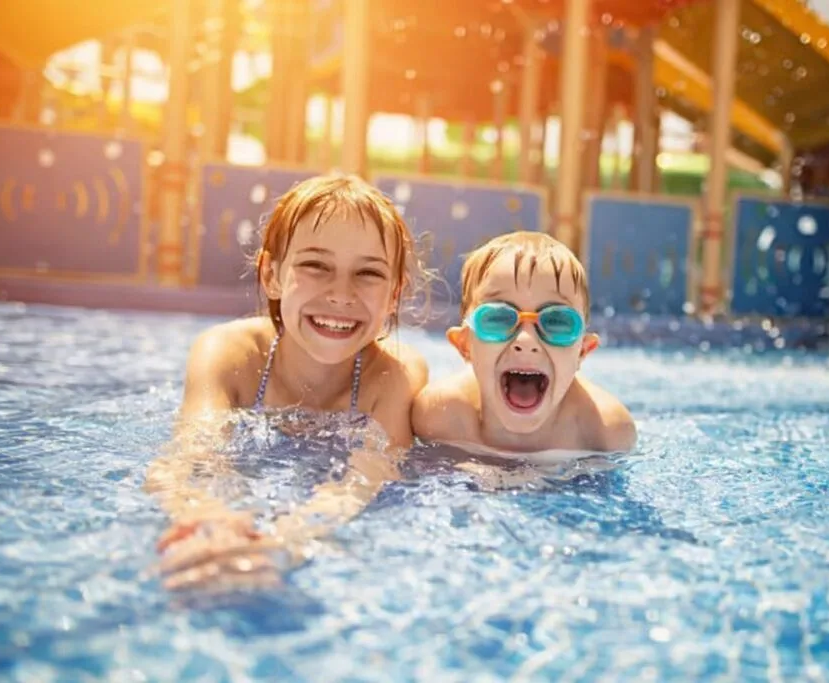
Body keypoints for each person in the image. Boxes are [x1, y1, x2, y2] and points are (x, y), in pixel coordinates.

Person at [145, 174, 429, 591]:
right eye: (316, 265)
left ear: (393, 295)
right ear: (271, 274)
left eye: (368, 273)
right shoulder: (229, 354)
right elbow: (190, 456)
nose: (340, 293)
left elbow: (367, 477)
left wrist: (285, 541)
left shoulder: (394, 376)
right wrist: (209, 519)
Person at [411, 231, 636, 471]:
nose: (526, 339)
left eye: (557, 321)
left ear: (582, 351)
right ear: (465, 345)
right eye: (497, 317)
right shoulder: (441, 417)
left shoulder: (606, 433)